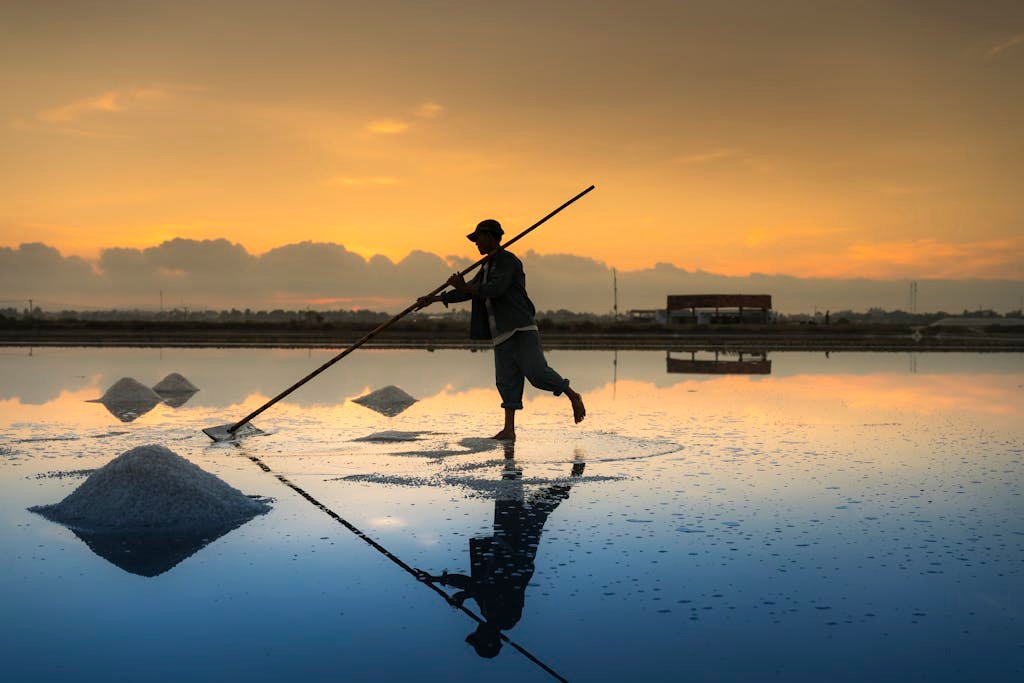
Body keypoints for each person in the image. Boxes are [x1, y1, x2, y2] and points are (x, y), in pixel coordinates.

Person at [417, 219, 585, 440]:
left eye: (478, 238)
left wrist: (464, 285)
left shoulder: (507, 262)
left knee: (536, 372)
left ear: (490, 236)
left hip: (520, 328)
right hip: (500, 333)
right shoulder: (486, 266)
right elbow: (469, 292)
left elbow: (495, 289)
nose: (476, 243)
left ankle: (572, 395)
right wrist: (434, 299)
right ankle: (509, 429)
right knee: (507, 380)